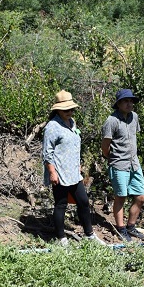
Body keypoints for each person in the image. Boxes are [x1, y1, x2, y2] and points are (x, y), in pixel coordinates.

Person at [42, 90, 105, 246]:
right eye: (66, 110)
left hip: (73, 171)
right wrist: (52, 172)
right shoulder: (52, 126)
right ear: (58, 109)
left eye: (71, 109)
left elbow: (73, 145)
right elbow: (47, 153)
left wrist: (79, 165)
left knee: (83, 201)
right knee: (61, 204)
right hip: (60, 172)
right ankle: (61, 239)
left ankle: (89, 235)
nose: (69, 112)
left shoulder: (72, 122)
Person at [101, 89, 144, 242]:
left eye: (131, 101)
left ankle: (130, 226)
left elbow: (133, 137)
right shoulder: (111, 121)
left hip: (134, 162)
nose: (129, 104)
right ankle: (120, 228)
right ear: (118, 103)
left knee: (140, 197)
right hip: (119, 163)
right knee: (121, 196)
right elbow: (105, 146)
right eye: (126, 101)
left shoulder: (134, 117)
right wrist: (112, 158)